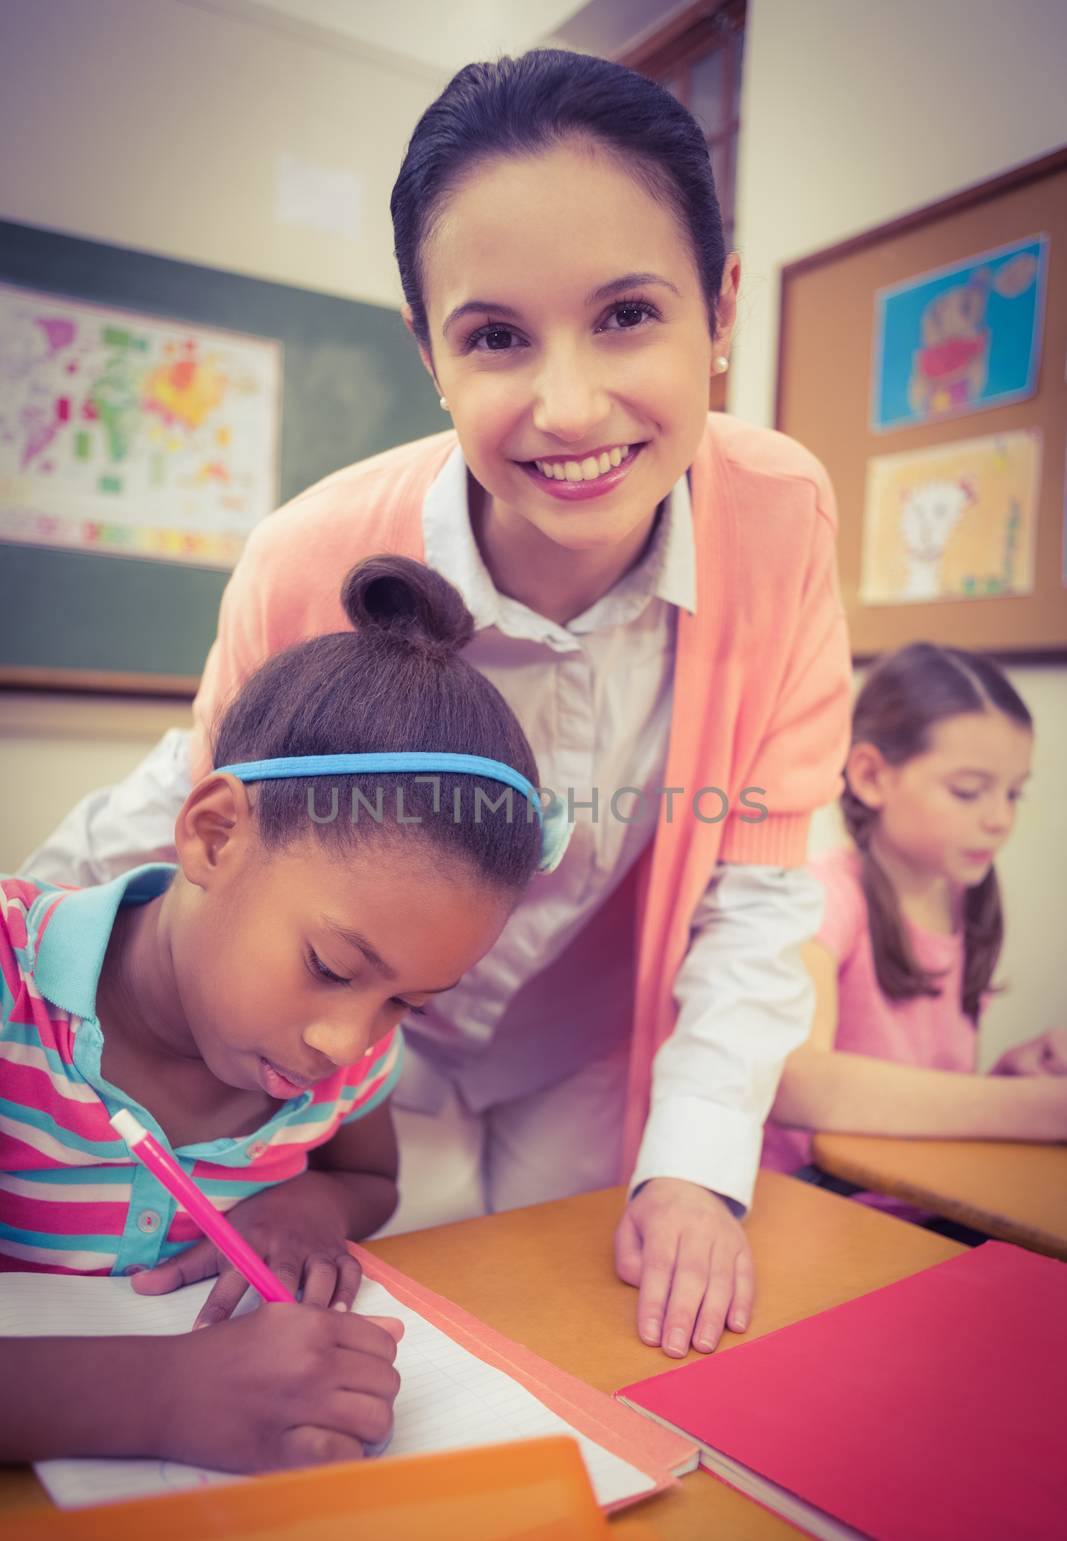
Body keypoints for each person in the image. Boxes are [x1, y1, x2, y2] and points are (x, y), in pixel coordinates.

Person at [23, 50, 852, 1358]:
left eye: (628, 314)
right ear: (427, 349)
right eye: (495, 336)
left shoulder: (779, 513)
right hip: (330, 1071)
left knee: (565, 1343)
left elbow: (753, 892)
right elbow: (198, 810)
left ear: (720, 306)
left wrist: (692, 1163)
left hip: (583, 1052)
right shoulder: (310, 552)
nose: (568, 404)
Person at [1, 556, 555, 1473]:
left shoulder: (350, 1058)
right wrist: (164, 1394)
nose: (347, 1042)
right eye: (331, 966)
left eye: (406, 1003)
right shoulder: (13, 985)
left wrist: (309, 1201)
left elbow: (371, 1181)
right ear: (215, 834)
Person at [764, 642, 1067, 1189]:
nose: (999, 819)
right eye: (968, 791)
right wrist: (1038, 1107)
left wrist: (1011, 1074)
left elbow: (924, 1102)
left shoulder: (965, 901)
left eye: (1014, 795)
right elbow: (797, 1082)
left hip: (927, 1196)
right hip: (824, 1204)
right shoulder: (827, 897)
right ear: (872, 776)